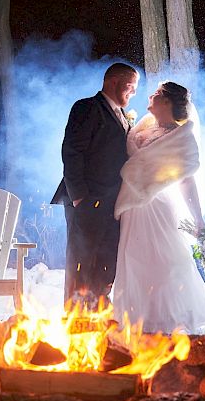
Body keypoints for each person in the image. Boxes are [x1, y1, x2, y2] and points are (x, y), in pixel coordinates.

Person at [113, 81, 205, 333]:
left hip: (159, 208)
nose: (150, 96)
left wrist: (198, 218)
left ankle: (166, 326)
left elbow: (186, 180)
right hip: (133, 208)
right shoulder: (140, 131)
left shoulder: (180, 136)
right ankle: (137, 324)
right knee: (133, 262)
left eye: (157, 94)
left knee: (164, 263)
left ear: (168, 102)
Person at [51, 63, 140, 305]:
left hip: (113, 201)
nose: (133, 93)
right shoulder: (87, 107)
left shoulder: (122, 115)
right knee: (82, 260)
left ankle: (98, 314)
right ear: (113, 82)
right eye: (130, 87)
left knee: (106, 260)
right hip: (86, 199)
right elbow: (72, 151)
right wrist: (80, 197)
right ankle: (76, 319)